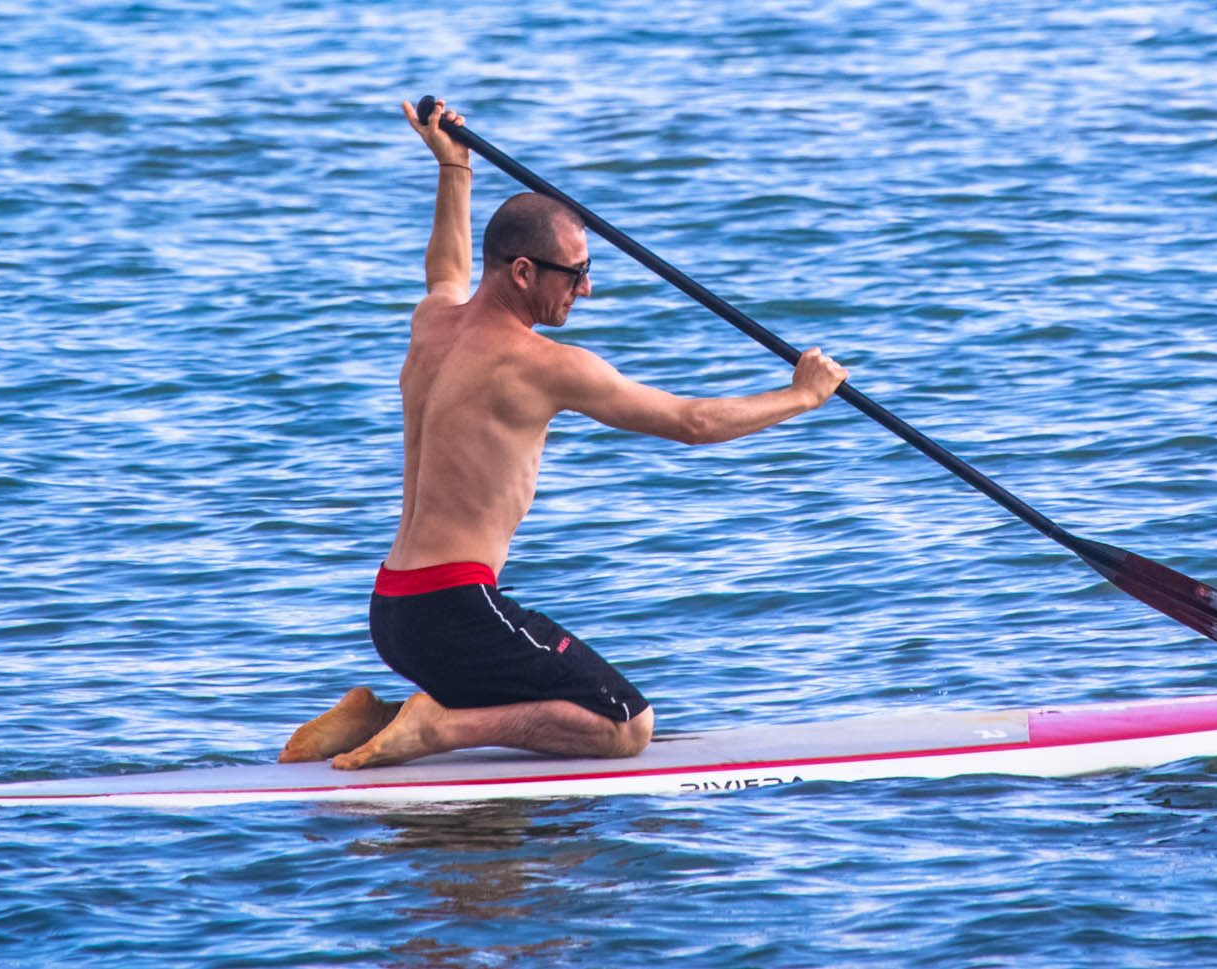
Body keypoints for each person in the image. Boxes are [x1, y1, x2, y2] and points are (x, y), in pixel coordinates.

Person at [278, 100, 849, 770]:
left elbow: (446, 270)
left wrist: (454, 169)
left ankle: (376, 716)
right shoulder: (544, 365)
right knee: (624, 725)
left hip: (392, 609)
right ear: (523, 272)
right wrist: (801, 395)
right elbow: (690, 423)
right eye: (575, 273)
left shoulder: (431, 321)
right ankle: (436, 728)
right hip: (454, 607)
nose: (586, 288)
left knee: (544, 690)